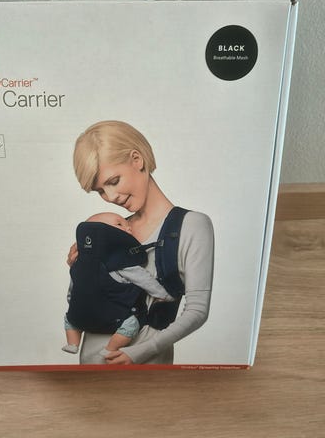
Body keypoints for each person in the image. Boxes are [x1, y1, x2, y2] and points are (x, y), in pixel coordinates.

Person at [67, 120, 214, 365]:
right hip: (90, 365)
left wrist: (139, 353)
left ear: (137, 160)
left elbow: (197, 311)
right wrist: (79, 268)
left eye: (113, 181)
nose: (111, 197)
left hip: (146, 369)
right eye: (100, 191)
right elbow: (84, 299)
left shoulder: (192, 225)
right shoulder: (107, 231)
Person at [62, 212, 174, 356]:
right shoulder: (121, 261)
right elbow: (145, 280)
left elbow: (73, 288)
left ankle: (72, 343)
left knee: (70, 320)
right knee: (131, 324)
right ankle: (111, 348)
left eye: (127, 225)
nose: (129, 228)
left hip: (81, 315)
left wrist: (73, 302)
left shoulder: (79, 264)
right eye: (120, 224)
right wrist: (163, 294)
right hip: (115, 317)